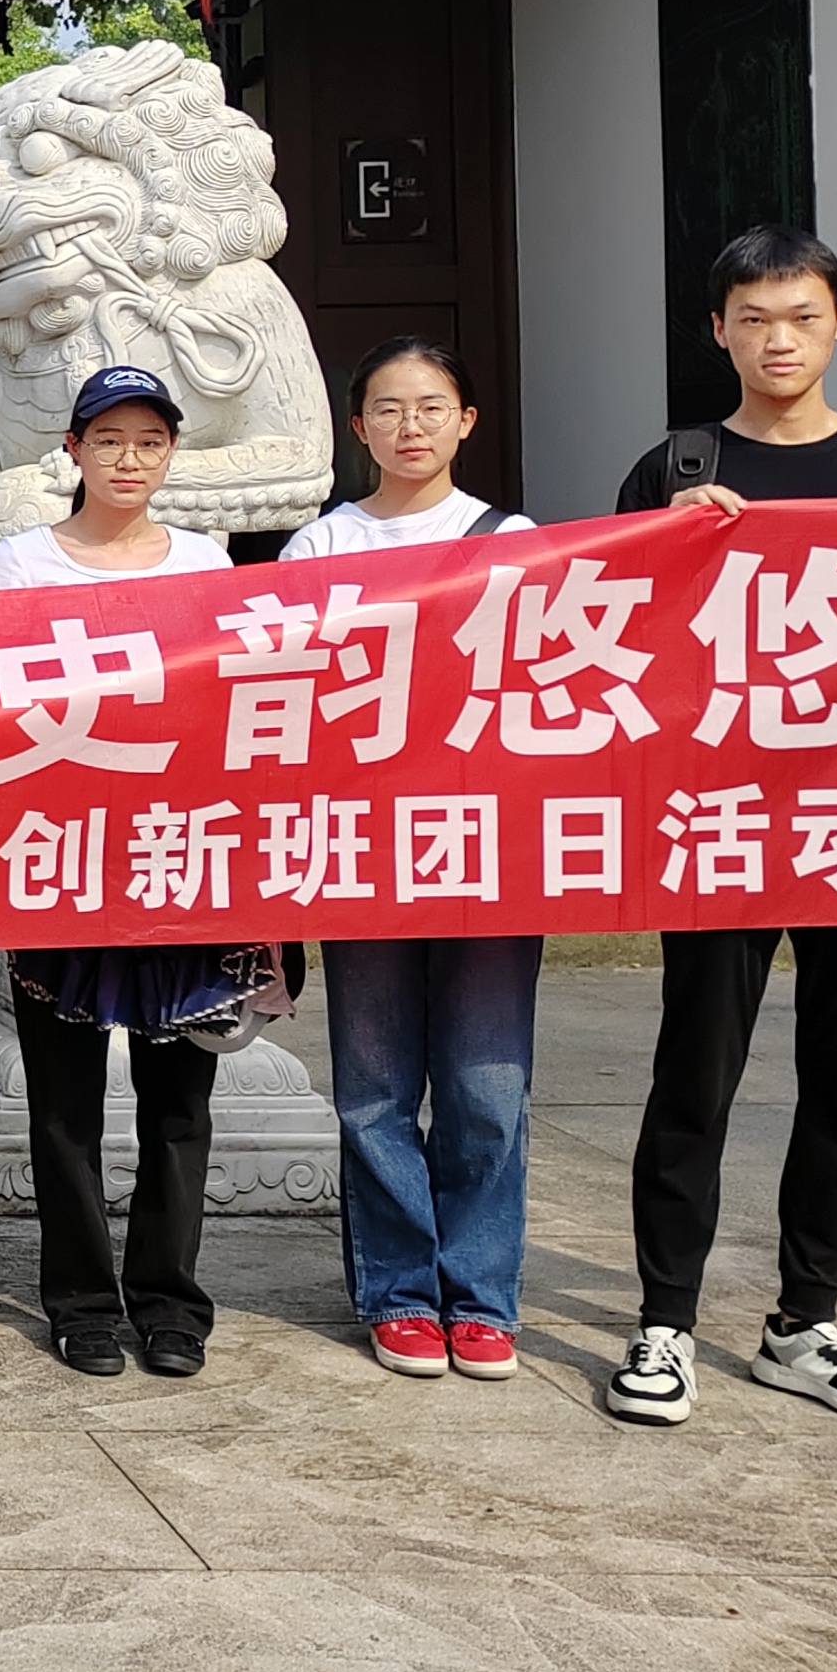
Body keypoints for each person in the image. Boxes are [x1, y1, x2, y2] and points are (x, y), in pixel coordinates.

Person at [603, 225, 837, 1430]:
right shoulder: (674, 466)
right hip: (721, 818)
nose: (777, 340)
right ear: (718, 331)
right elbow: (609, 646)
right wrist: (663, 545)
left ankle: (806, 1321)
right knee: (693, 1074)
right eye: (752, 319)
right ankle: (663, 1323)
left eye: (800, 316)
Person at [0, 366, 252, 1380]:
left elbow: (233, 703)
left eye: (148, 441)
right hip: (59, 858)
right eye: (108, 439)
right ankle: (81, 1301)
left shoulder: (206, 561)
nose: (128, 459)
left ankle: (171, 1303)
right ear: (72, 449)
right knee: (65, 1102)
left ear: (171, 453)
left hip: (181, 857)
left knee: (180, 1099)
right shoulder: (21, 562)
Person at [286, 338, 540, 1384]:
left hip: (487, 847)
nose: (410, 426)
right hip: (365, 845)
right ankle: (398, 1293)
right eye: (387, 409)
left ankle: (479, 1295)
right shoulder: (320, 545)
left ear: (466, 420)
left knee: (487, 1083)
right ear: (358, 428)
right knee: (375, 1084)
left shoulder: (514, 541)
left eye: (431, 406)